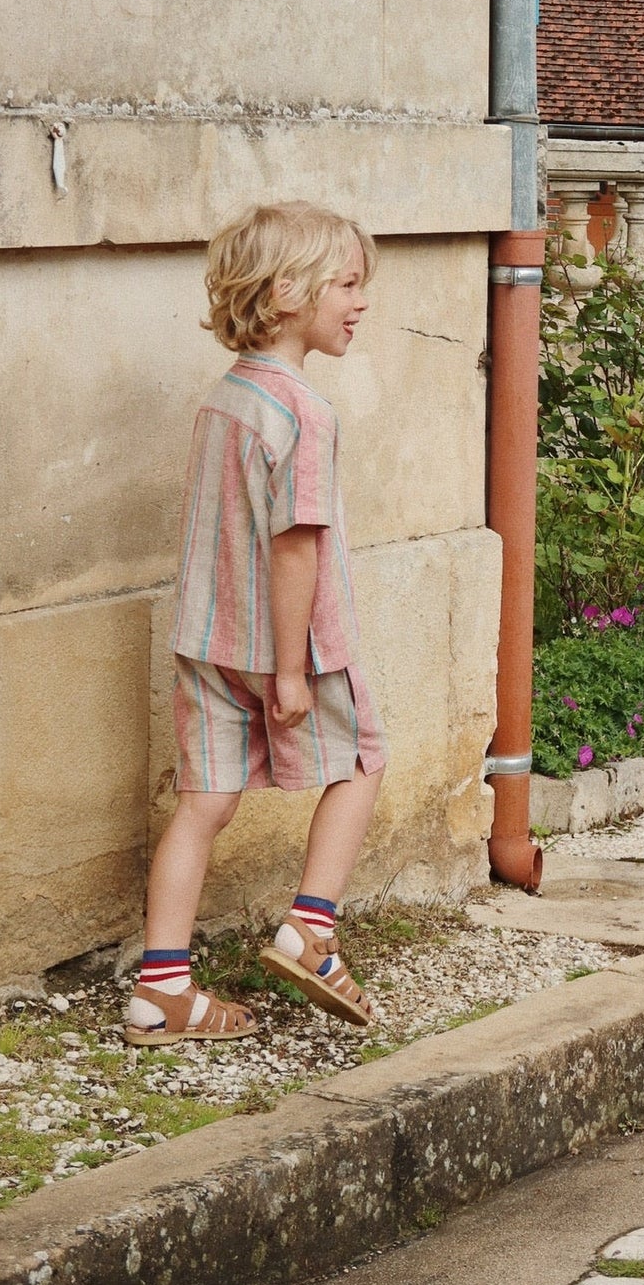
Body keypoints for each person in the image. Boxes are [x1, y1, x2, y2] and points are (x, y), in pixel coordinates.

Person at [124, 202, 389, 1046]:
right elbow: (295, 552)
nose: (361, 301)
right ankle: (312, 928)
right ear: (287, 294)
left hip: (205, 642)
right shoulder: (303, 414)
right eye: (347, 284)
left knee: (204, 803)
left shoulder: (224, 400)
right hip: (292, 647)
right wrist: (287, 673)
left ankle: (160, 989)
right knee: (363, 759)